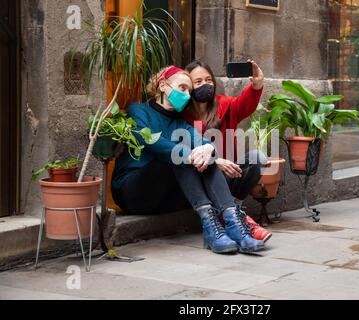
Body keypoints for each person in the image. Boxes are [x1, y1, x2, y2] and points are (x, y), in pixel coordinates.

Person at [111, 66, 265, 254]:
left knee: (201, 154)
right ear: (162, 86)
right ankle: (213, 224)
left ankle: (231, 223)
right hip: (133, 192)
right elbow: (150, 141)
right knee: (182, 154)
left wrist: (208, 149)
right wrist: (196, 154)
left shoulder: (179, 122)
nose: (186, 94)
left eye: (189, 91)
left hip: (165, 199)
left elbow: (203, 142)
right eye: (182, 88)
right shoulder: (138, 110)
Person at [183, 60, 272, 243]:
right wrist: (216, 161)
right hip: (200, 177)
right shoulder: (181, 114)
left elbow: (244, 104)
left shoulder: (224, 105)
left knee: (257, 158)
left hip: (227, 176)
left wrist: (257, 85)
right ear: (188, 86)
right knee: (204, 163)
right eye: (198, 82)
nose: (205, 85)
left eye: (208, 80)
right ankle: (234, 218)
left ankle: (232, 210)